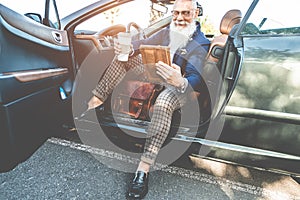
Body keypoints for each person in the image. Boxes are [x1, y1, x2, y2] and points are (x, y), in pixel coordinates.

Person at [87, 0, 210, 198]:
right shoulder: (166, 31)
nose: (179, 18)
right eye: (176, 13)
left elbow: (196, 76)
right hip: (156, 75)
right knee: (124, 59)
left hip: (180, 87)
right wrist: (126, 48)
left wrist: (180, 80)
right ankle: (95, 101)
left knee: (163, 102)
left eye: (185, 13)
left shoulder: (202, 42)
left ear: (195, 14)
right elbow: (141, 43)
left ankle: (143, 169)